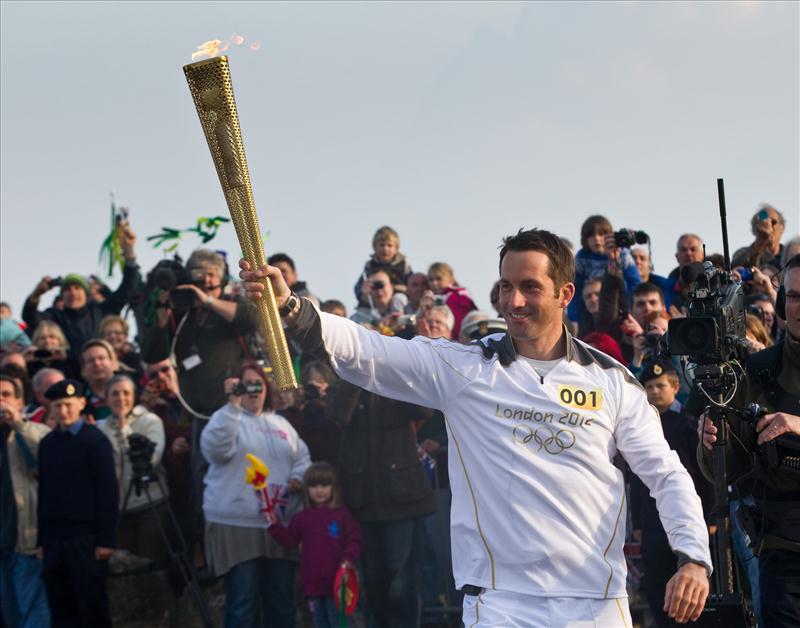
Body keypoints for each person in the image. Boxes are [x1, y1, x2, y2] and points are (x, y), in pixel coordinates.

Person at [241, 227, 712, 627]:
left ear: (566, 294)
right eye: (506, 287)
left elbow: (665, 474)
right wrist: (293, 309)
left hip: (595, 602)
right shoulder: (466, 369)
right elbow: (371, 353)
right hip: (501, 602)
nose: (514, 301)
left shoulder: (611, 380)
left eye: (530, 287)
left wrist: (693, 557)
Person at [699, 254, 800, 626]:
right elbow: (728, 472)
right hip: (781, 554)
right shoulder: (756, 374)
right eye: (794, 297)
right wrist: (713, 442)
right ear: (781, 303)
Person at [201, 362, 310, 628]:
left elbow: (302, 457)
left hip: (278, 525)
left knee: (281, 601)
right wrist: (232, 405)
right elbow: (214, 450)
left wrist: (298, 477)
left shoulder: (280, 423)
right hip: (237, 526)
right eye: (245, 384)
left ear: (266, 388)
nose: (252, 390)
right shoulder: (225, 418)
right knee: (242, 603)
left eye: (257, 384)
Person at [630, 361, 711, 628]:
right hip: (652, 521)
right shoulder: (637, 429)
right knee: (657, 583)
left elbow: (703, 475)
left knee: (690, 587)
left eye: (660, 385)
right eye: (649, 387)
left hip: (687, 518)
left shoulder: (686, 426)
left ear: (675, 387)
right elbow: (637, 480)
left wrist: (708, 517)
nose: (654, 391)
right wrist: (638, 522)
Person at [37, 379, 118, 628]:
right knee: (60, 607)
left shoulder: (95, 441)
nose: (63, 411)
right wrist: (41, 540)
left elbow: (108, 491)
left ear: (81, 403)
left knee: (92, 606)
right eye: (58, 405)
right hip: (54, 539)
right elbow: (44, 494)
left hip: (86, 538)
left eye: (69, 405)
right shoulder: (47, 444)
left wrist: (106, 540)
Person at [22, 222, 140, 360]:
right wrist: (37, 294)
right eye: (67, 290)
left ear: (86, 293)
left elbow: (127, 289)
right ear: (62, 296)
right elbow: (30, 317)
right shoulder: (55, 317)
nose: (72, 293)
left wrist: (129, 252)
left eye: (77, 288)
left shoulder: (101, 311)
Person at [268, 462, 362, 628]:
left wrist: (348, 560)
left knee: (339, 623)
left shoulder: (342, 515)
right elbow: (289, 540)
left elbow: (355, 539)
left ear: (334, 487)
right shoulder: (301, 518)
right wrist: (274, 526)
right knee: (320, 623)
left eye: (324, 485)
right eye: (313, 485)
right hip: (313, 586)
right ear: (307, 489)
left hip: (338, 584)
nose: (319, 490)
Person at [97, 374, 167, 560]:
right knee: (124, 566)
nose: (121, 398)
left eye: (126, 393)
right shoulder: (99, 428)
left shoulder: (150, 421)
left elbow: (152, 459)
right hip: (118, 508)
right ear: (106, 398)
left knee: (150, 562)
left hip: (149, 504)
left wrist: (124, 428)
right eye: (115, 394)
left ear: (134, 396)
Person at [0, 375, 51, 628]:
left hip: (27, 543)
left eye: (6, 395)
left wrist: (18, 423)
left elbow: (46, 460)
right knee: (11, 616)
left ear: (20, 401)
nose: (0, 401)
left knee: (34, 615)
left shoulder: (34, 430)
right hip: (1, 546)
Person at [568, 215, 641, 327]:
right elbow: (575, 289)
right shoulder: (581, 257)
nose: (597, 238)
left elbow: (635, 283)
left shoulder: (622, 254)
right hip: (591, 314)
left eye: (601, 234)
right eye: (591, 235)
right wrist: (575, 318)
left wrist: (630, 310)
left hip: (619, 309)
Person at [354, 226, 412, 306]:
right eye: (381, 245)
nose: (385, 249)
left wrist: (397, 288)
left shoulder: (403, 265)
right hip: (375, 304)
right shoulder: (370, 265)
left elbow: (412, 285)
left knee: (399, 298)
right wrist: (363, 293)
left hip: (396, 302)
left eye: (389, 245)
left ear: (396, 249)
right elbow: (358, 287)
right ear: (375, 247)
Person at [426, 262, 477, 340]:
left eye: (439, 279)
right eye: (431, 280)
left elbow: (457, 324)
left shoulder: (457, 296)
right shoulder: (431, 298)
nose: (434, 283)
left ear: (450, 279)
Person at [732, 205, 787, 273]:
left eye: (773, 222)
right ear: (755, 228)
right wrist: (758, 245)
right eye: (762, 221)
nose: (768, 225)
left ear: (781, 228)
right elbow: (733, 269)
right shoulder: (742, 253)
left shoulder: (790, 255)